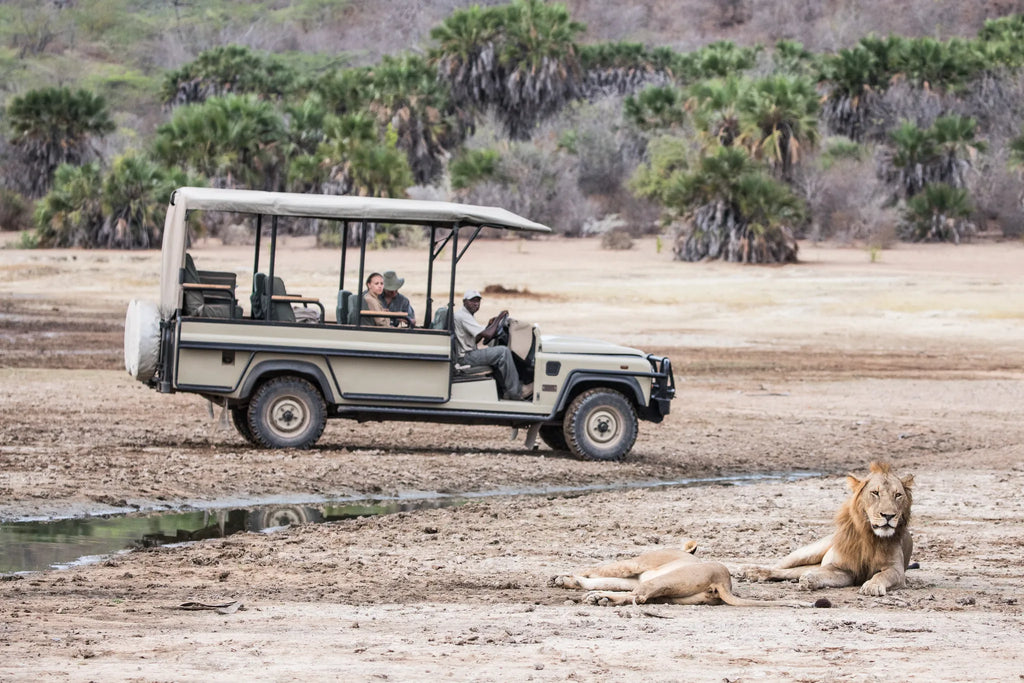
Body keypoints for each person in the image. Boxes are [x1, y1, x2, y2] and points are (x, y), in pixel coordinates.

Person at [454, 290, 531, 400]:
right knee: (503, 352)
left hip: (467, 354)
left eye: (478, 301)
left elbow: (476, 339)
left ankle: (505, 391)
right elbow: (488, 334)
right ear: (464, 302)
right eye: (472, 301)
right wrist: (499, 318)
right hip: (465, 357)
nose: (476, 304)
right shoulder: (463, 316)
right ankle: (516, 392)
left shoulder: (465, 315)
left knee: (496, 351)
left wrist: (490, 325)